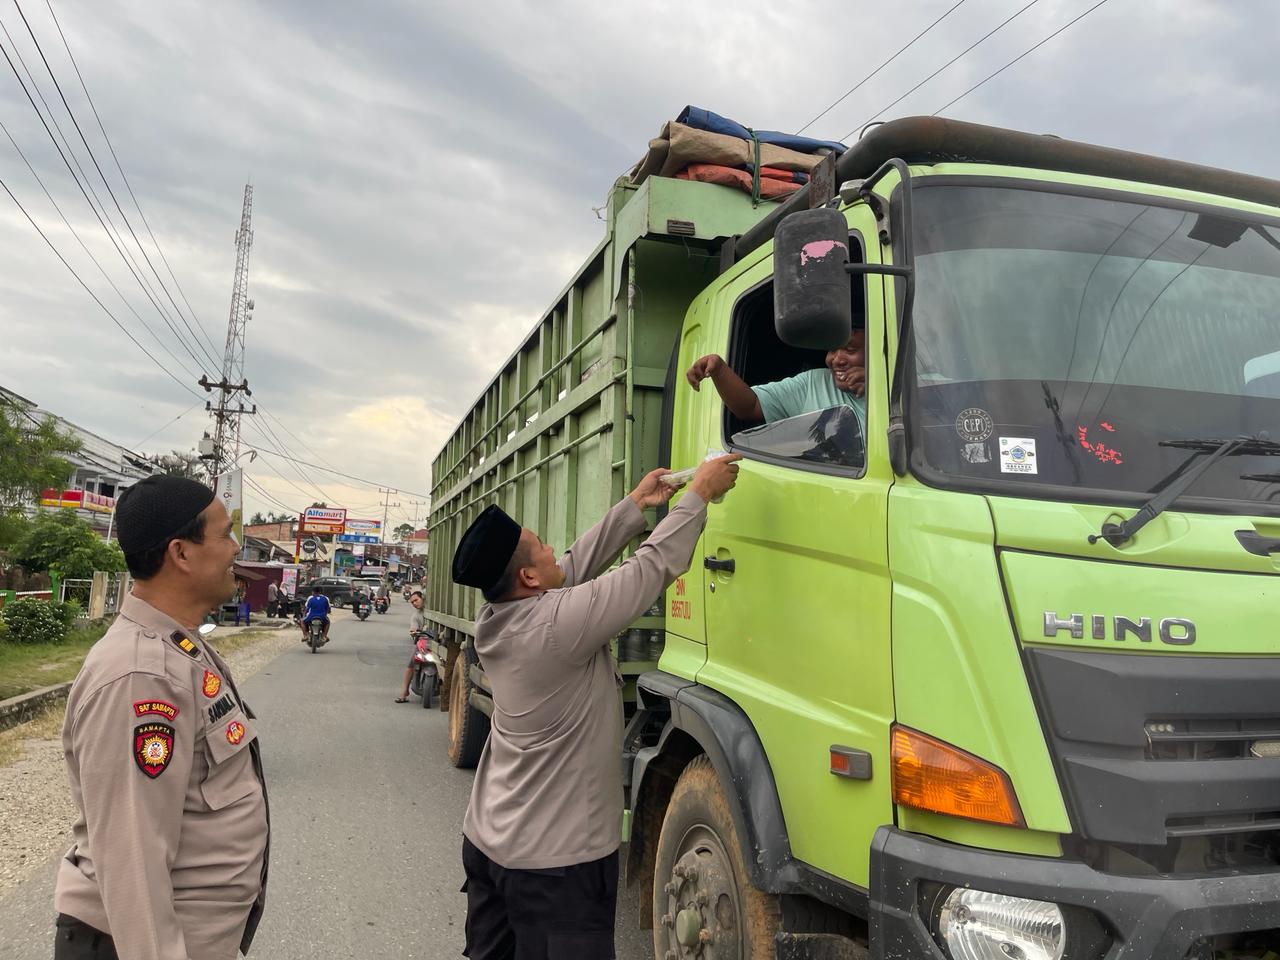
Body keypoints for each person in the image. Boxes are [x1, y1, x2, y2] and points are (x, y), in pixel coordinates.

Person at [450, 454, 741, 959]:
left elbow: (568, 569)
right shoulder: (557, 627)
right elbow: (648, 569)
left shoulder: (497, 617)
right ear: (528, 579)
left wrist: (634, 506)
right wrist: (698, 497)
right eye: (541, 545)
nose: (553, 549)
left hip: (488, 844)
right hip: (554, 868)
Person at [54, 474, 269, 960]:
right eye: (225, 534)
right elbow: (132, 857)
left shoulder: (179, 645)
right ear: (182, 553)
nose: (237, 548)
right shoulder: (141, 675)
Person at [686, 326, 867, 431]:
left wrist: (879, 389)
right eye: (832, 349)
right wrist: (719, 370)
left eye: (850, 350)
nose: (837, 359)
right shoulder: (813, 383)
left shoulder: (893, 390)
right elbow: (750, 406)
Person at [394, 590, 427, 704]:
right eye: (412, 602)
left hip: (440, 642)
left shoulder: (432, 610)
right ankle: (404, 692)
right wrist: (413, 632)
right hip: (424, 643)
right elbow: (413, 628)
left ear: (422, 598)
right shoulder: (416, 615)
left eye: (416, 600)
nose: (414, 603)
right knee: (412, 663)